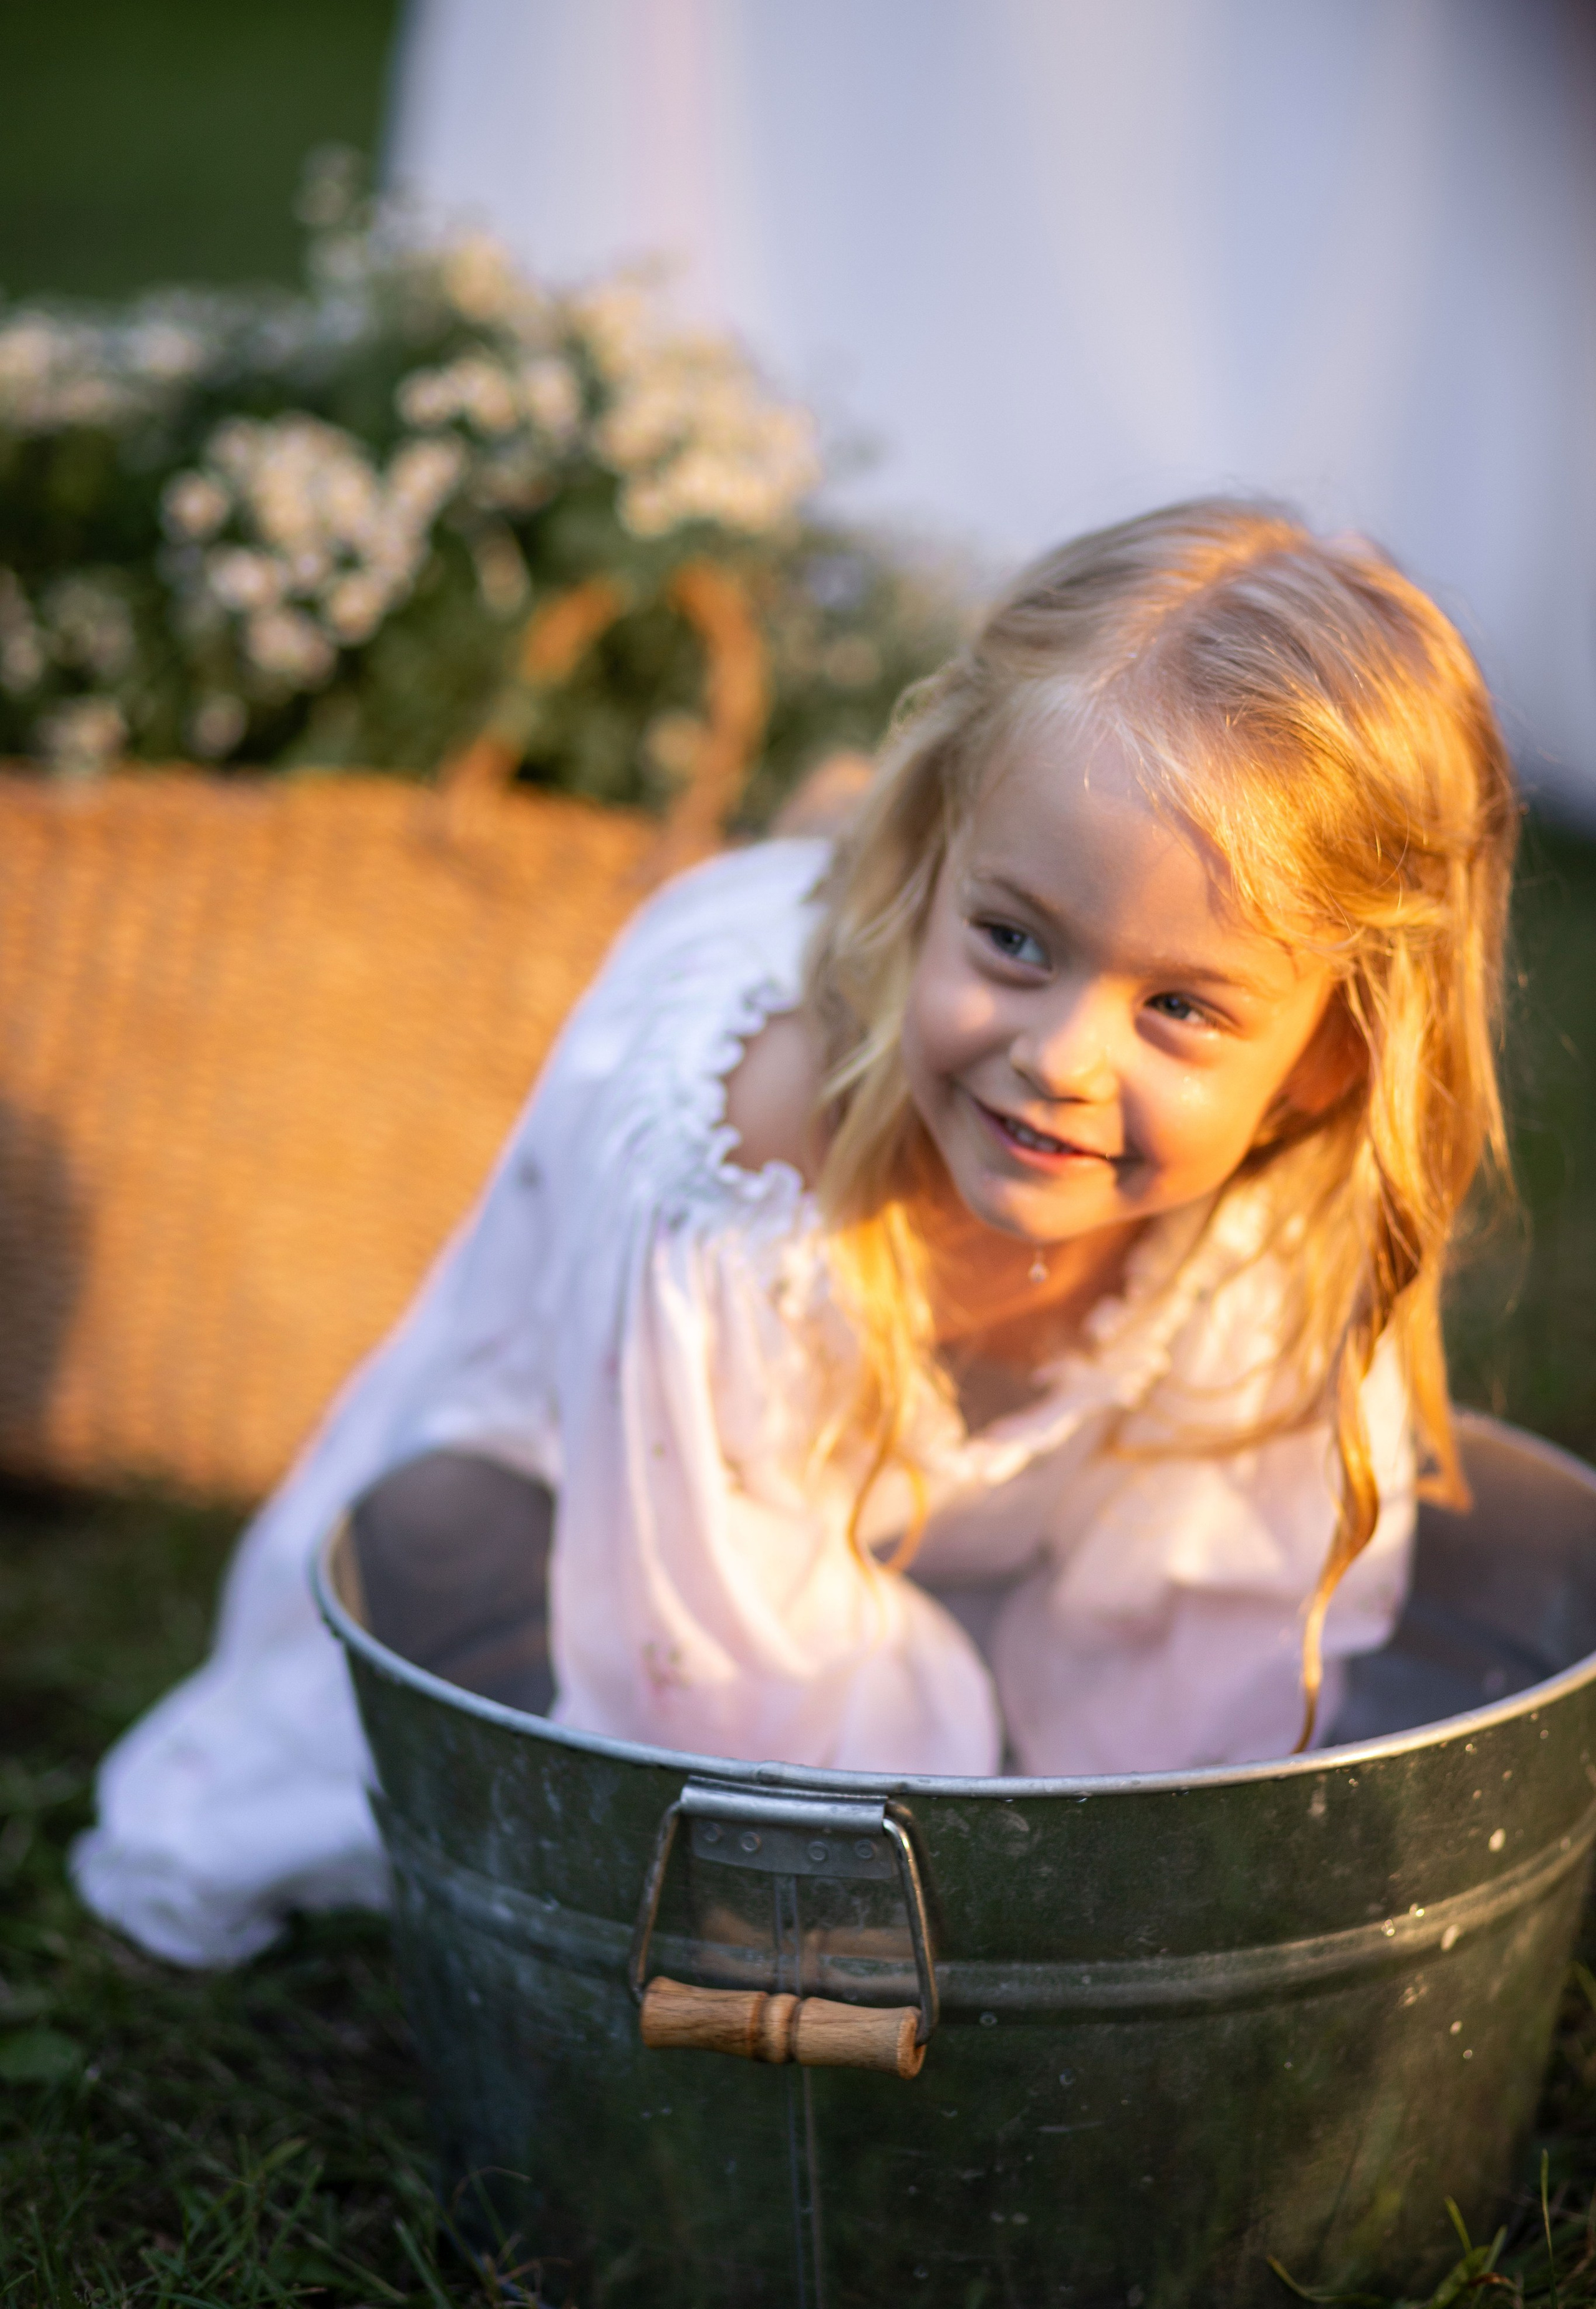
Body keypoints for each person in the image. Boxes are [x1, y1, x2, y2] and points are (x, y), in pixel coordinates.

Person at [72, 498, 1518, 1967]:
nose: (1063, 1059)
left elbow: (1213, 1595)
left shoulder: (1282, 1184)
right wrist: (949, 1889)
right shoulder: (740, 1168)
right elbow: (719, 1688)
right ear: (932, 861)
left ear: (1322, 1058)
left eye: (1178, 1008)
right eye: (1013, 938)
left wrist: (1119, 1867)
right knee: (534, 1641)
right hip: (606, 1513)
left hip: (880, 1529)